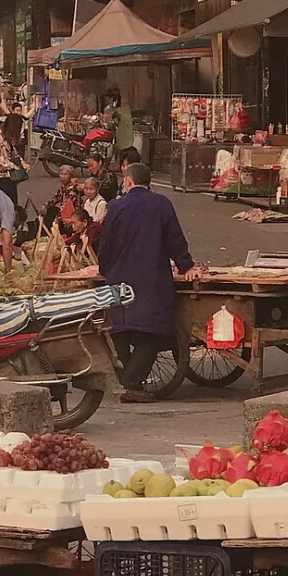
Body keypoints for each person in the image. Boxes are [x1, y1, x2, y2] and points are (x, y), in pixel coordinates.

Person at [99, 163, 202, 403]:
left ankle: (127, 377)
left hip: (119, 278)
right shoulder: (160, 204)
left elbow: (105, 245)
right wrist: (186, 265)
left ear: (128, 182)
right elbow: (175, 240)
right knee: (154, 331)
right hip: (150, 278)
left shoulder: (115, 207)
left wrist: (104, 269)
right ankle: (132, 382)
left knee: (119, 328)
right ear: (149, 182)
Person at [0, 112, 26, 205]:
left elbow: (14, 153)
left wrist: (22, 162)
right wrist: (13, 166)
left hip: (10, 177)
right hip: (1, 177)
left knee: (13, 203)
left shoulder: (8, 137)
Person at [45, 165, 77, 229]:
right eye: (61, 174)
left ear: (71, 176)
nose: (62, 177)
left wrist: (57, 219)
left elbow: (65, 207)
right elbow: (55, 198)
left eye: (65, 174)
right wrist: (45, 205)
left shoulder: (72, 190)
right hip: (63, 213)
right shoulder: (63, 188)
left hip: (71, 216)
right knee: (50, 210)